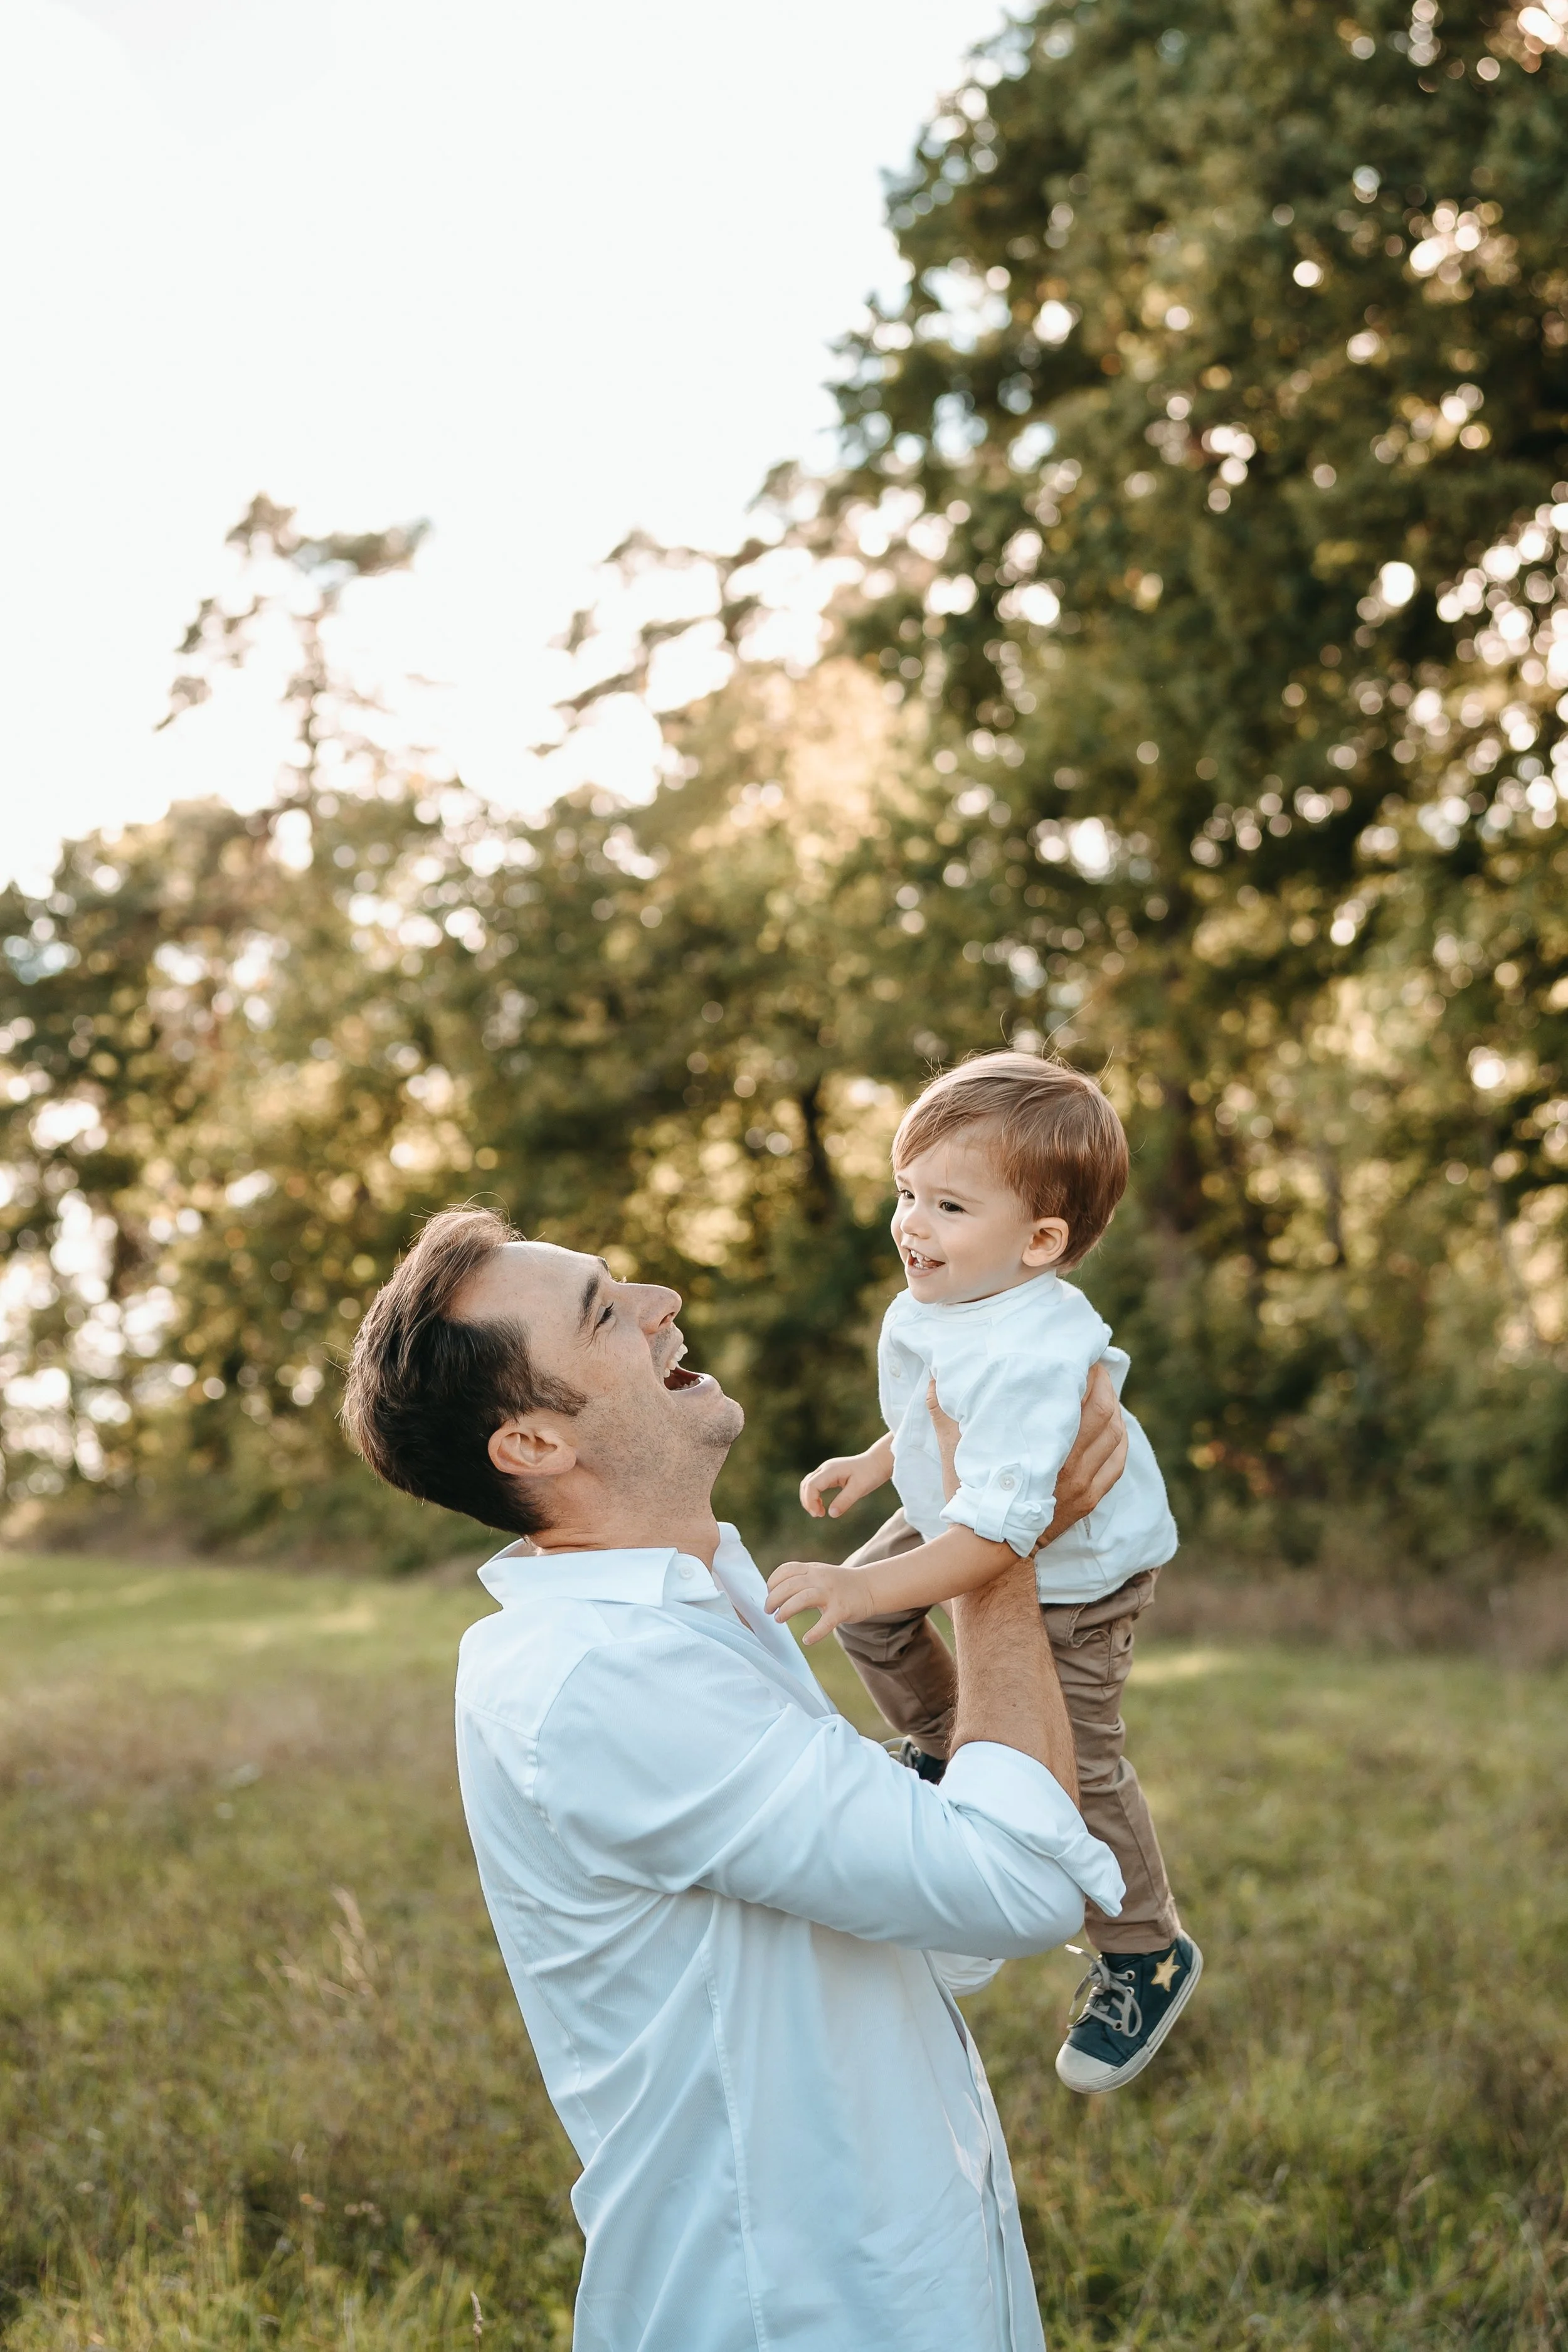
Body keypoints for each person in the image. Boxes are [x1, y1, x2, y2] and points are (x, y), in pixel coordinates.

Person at [342, 1205, 1131, 2352]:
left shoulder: (696, 1603)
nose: (662, 1303)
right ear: (532, 1445)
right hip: (795, 2303)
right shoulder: (607, 1678)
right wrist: (997, 1548)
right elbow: (1013, 1889)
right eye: (607, 1311)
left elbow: (939, 1933)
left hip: (903, 2264)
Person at [766, 1052, 1201, 2095]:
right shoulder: (956, 1286)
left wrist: (864, 1581)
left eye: (949, 1203)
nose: (912, 1223)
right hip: (953, 1513)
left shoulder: (1037, 1351)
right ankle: (952, 1751)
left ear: (1041, 1240)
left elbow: (1009, 1540)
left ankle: (1144, 1948)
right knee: (876, 1630)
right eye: (907, 1193)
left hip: (1073, 1576)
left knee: (1082, 1767)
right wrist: (876, 1461)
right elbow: (935, 1401)